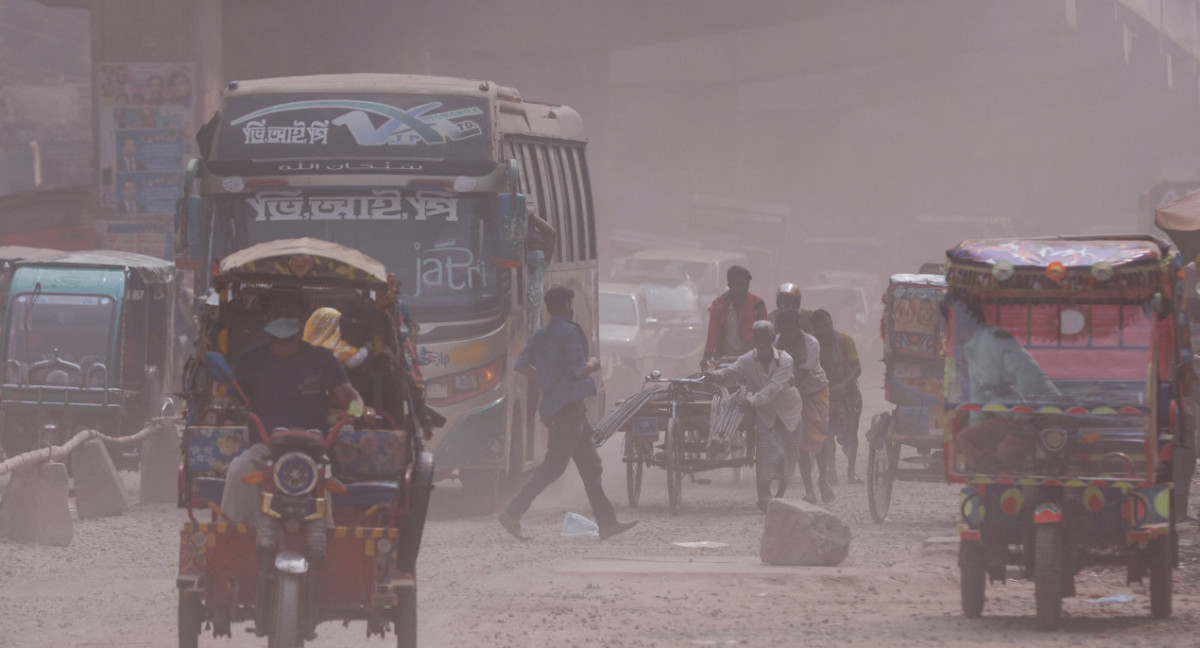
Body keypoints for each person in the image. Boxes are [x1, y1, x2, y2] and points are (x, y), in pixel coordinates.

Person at [218, 294, 371, 638]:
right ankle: (236, 554)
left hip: (315, 452)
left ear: (303, 317)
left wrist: (361, 411)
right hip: (264, 449)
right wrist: (227, 408)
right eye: (276, 308)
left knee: (327, 483)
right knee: (238, 471)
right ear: (266, 316)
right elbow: (230, 399)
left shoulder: (322, 359)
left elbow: (349, 395)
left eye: (290, 308)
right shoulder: (250, 361)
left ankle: (327, 555)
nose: (283, 313)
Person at [499, 286, 637, 540]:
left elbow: (521, 364)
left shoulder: (542, 334)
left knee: (590, 466)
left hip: (566, 410)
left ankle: (607, 523)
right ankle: (512, 513)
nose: (572, 308)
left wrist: (544, 380)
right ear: (565, 306)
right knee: (552, 469)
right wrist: (594, 363)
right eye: (570, 304)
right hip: (569, 411)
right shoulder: (569, 333)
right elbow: (578, 369)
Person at [707, 320, 807, 512]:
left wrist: (751, 401)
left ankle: (780, 495)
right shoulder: (747, 360)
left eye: (765, 335)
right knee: (765, 454)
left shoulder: (785, 360)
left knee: (788, 454)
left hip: (789, 411)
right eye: (758, 335)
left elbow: (774, 388)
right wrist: (714, 375)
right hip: (766, 413)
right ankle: (764, 496)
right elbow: (731, 373)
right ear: (754, 339)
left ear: (772, 338)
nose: (761, 340)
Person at [773, 309, 834, 504]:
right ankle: (809, 490)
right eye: (785, 329)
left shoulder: (811, 343)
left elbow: (801, 376)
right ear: (780, 329)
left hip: (815, 392)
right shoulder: (775, 344)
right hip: (792, 394)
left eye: (793, 327)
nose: (789, 333)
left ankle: (823, 481)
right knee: (799, 443)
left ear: (799, 326)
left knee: (820, 438)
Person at [811, 309, 864, 485]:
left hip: (847, 394)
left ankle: (851, 471)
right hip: (824, 394)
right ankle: (831, 470)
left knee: (851, 433)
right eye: (820, 327)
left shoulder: (844, 340)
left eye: (828, 325)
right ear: (814, 329)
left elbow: (857, 368)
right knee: (827, 435)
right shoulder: (811, 346)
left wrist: (843, 385)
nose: (825, 330)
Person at [702, 265, 768, 368]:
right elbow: (712, 336)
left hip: (752, 361)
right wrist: (707, 356)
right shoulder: (719, 306)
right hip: (726, 362)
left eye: (746, 284)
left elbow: (765, 336)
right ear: (730, 285)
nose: (743, 288)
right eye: (739, 284)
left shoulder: (757, 305)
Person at [525, 205, 557, 332]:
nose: (536, 250)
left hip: (533, 334)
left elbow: (551, 233)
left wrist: (531, 216)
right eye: (532, 247)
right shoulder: (517, 272)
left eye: (539, 247)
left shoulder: (541, 267)